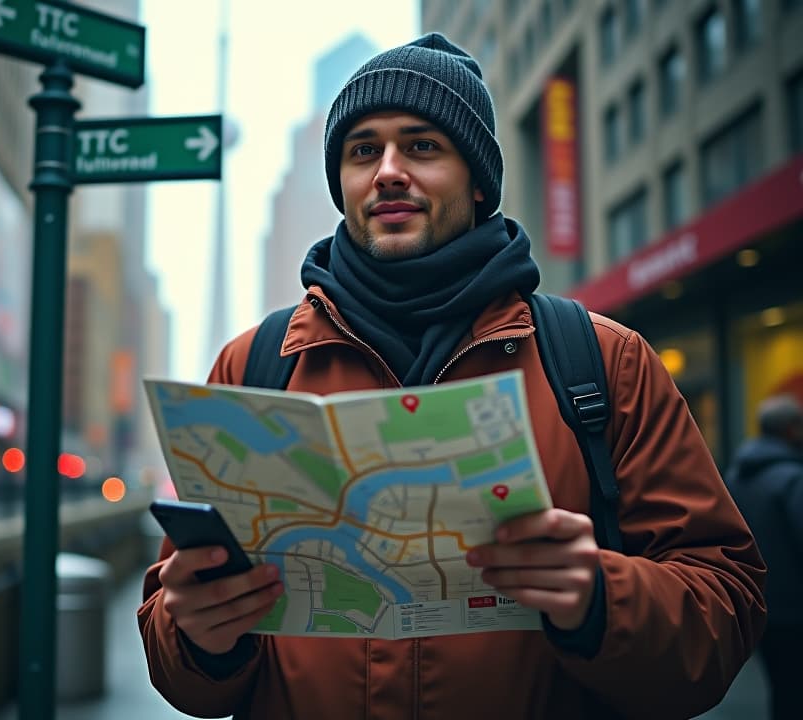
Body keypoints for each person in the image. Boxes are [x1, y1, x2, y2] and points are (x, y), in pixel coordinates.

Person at [138, 33, 766, 719]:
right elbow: (186, 671)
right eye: (362, 150)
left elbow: (725, 611)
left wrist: (598, 598)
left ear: (478, 181)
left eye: (423, 146)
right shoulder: (253, 367)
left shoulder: (603, 361)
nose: (387, 171)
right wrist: (199, 636)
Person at [725, 395, 803, 720]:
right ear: (791, 429)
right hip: (796, 609)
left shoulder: (734, 476)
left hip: (758, 604)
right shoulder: (792, 478)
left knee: (782, 689)